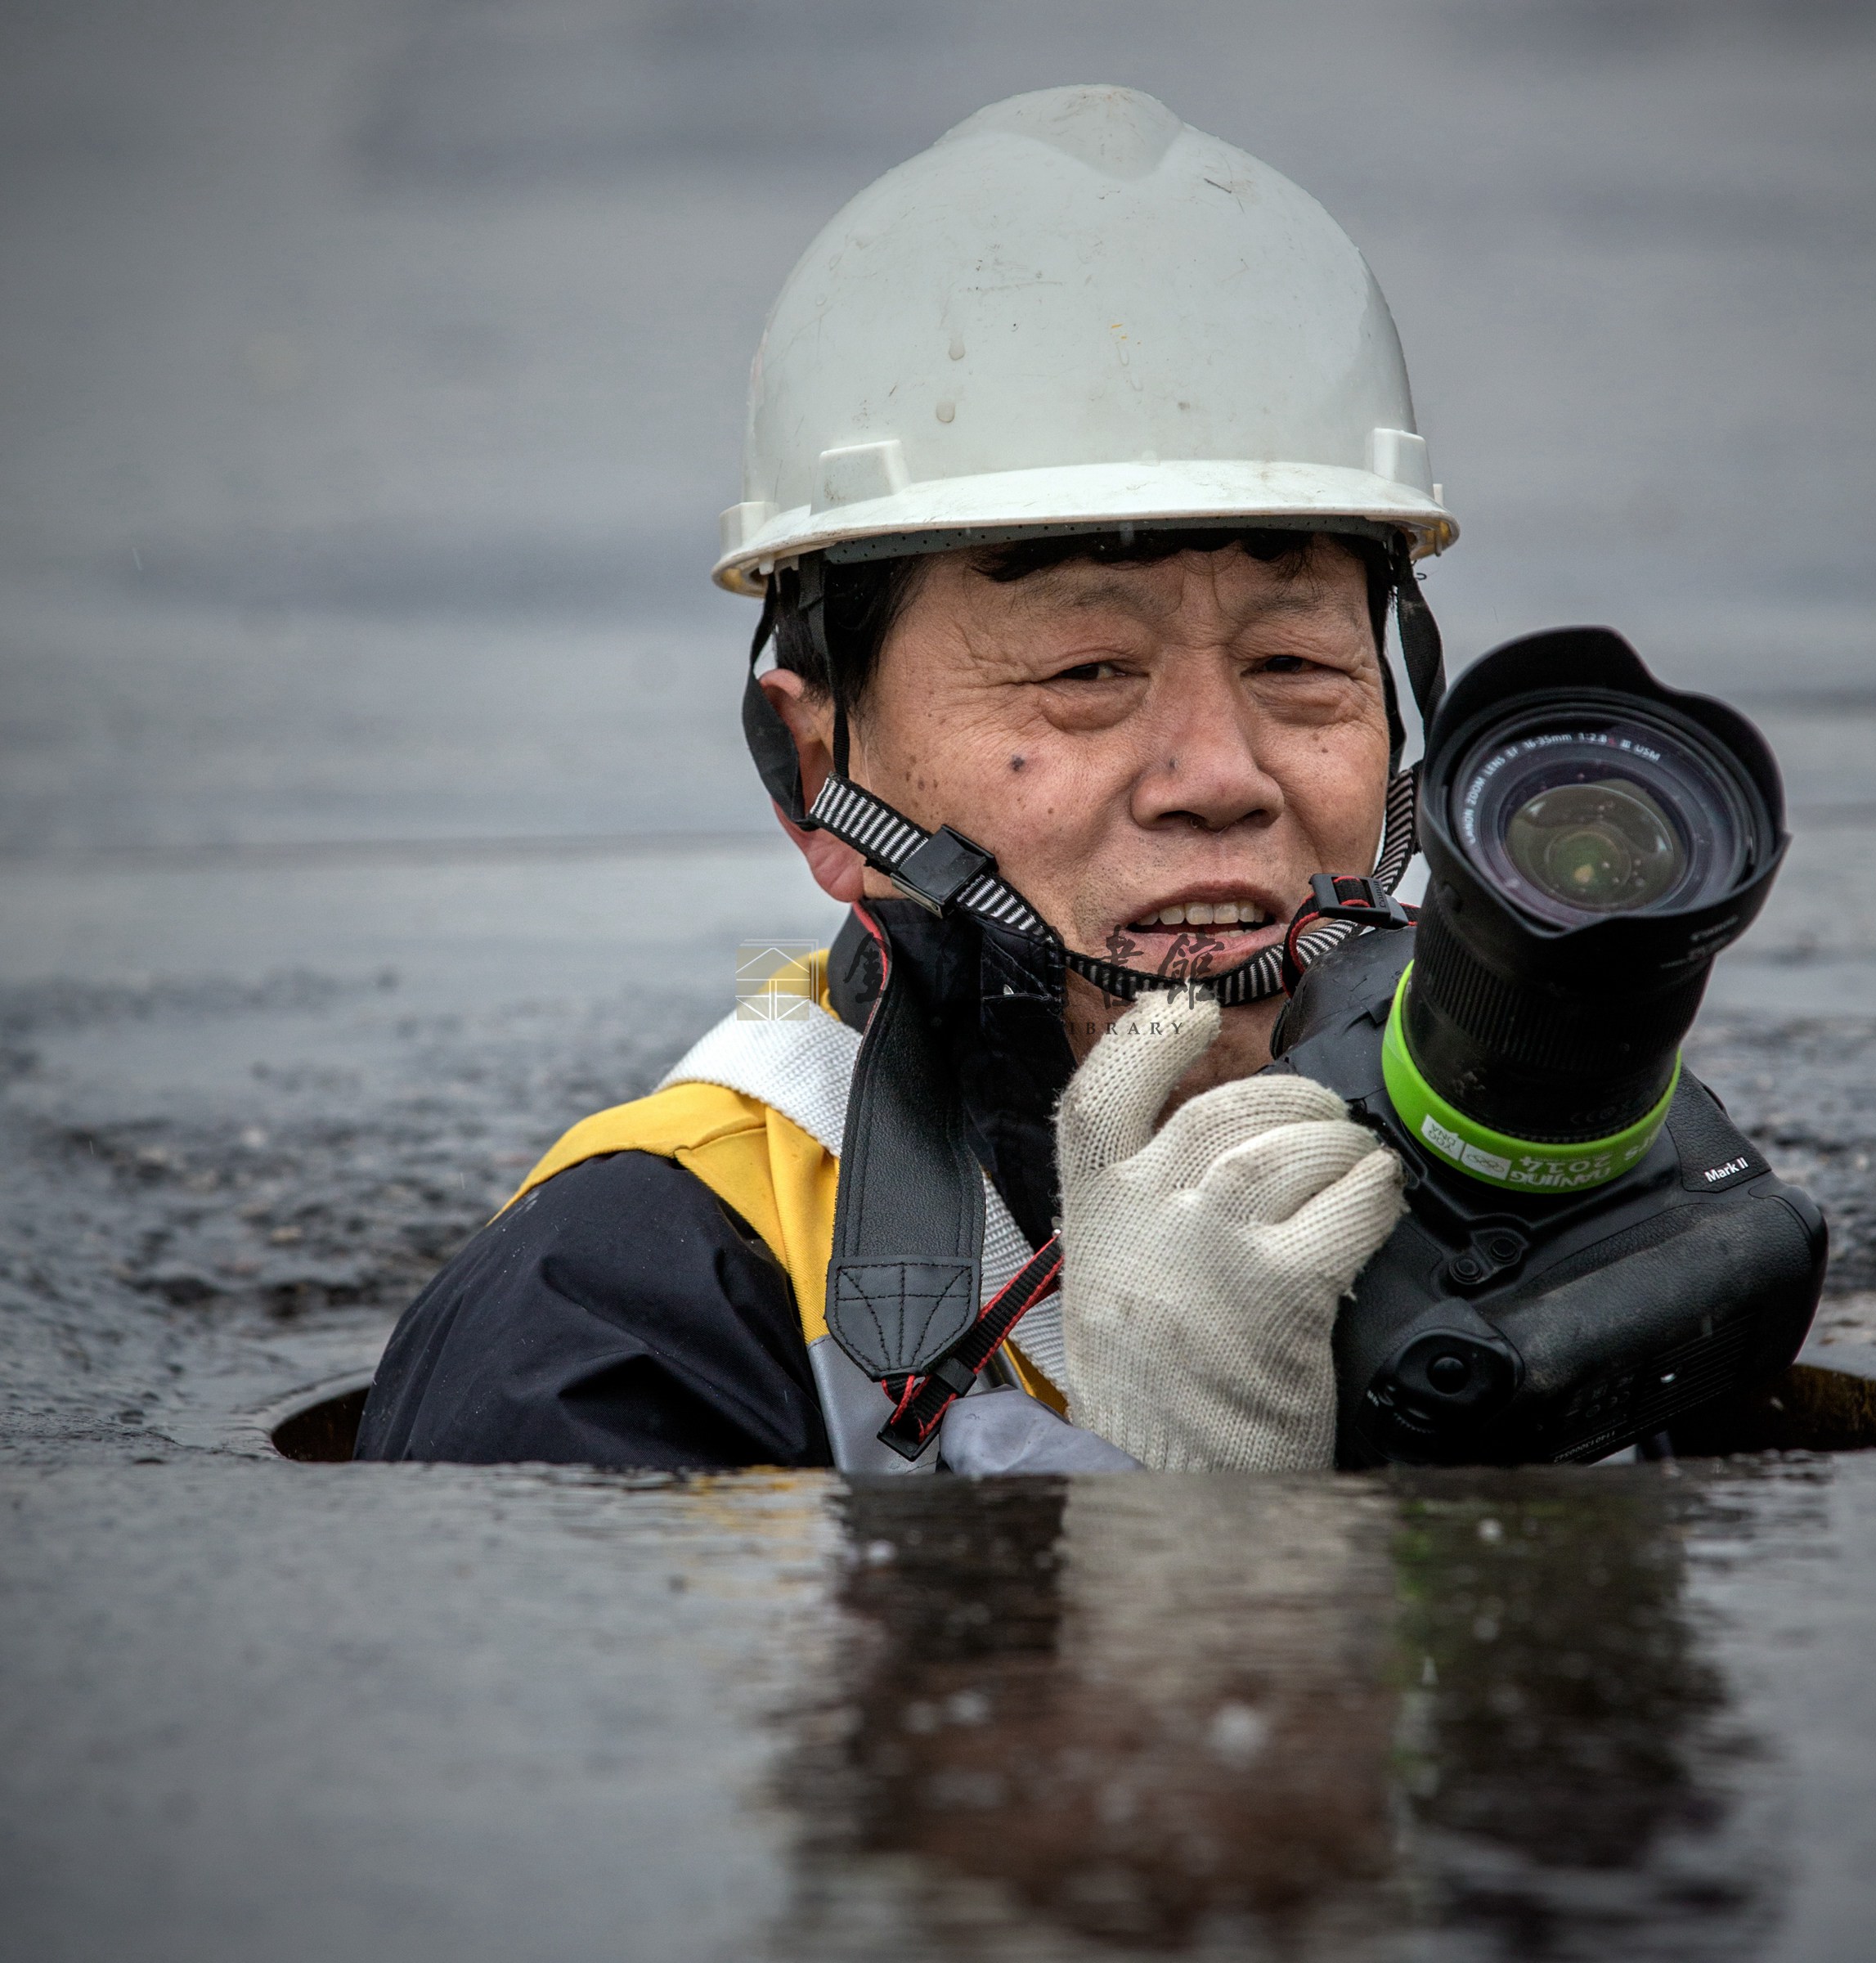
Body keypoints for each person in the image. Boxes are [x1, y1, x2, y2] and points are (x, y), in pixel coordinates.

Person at [355, 85, 1454, 1476]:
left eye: (1297, 664)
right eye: (1082, 675)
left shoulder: (1555, 1156)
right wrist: (1204, 1519)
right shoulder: (616, 1310)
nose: (1219, 779)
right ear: (823, 775)